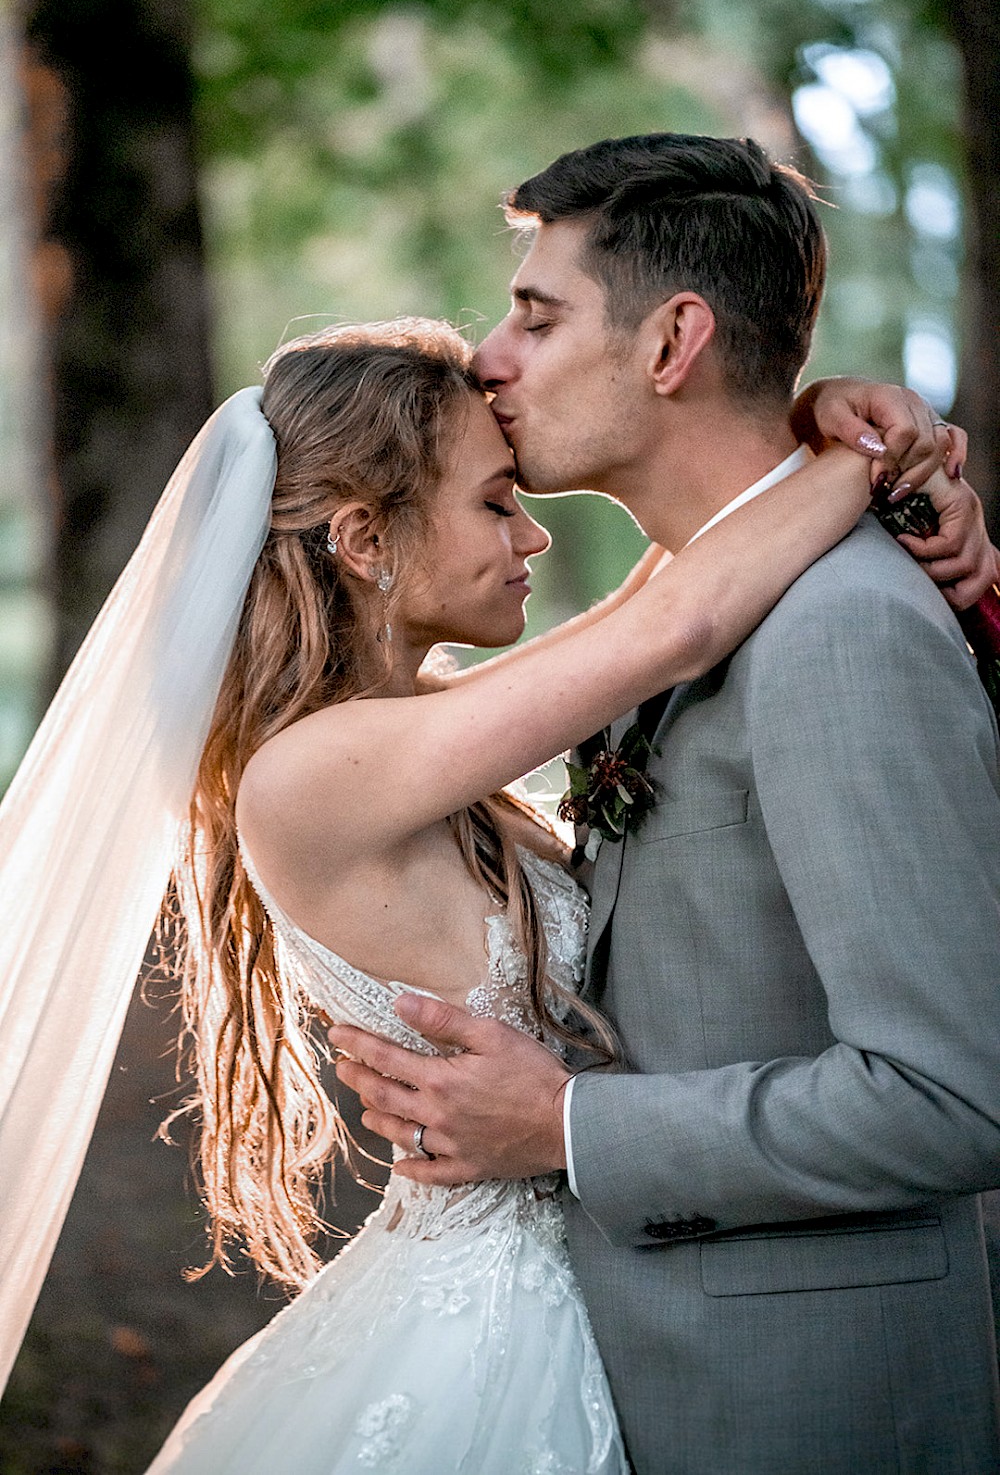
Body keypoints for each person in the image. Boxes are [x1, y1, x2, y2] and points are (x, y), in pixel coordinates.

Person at [331, 135, 1000, 1475]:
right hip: (642, 1369)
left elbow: (954, 1096)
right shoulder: (691, 602)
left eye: (537, 313)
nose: (490, 359)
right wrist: (855, 440)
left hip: (808, 1410)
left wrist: (566, 1124)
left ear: (673, 340)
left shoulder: (839, 631)